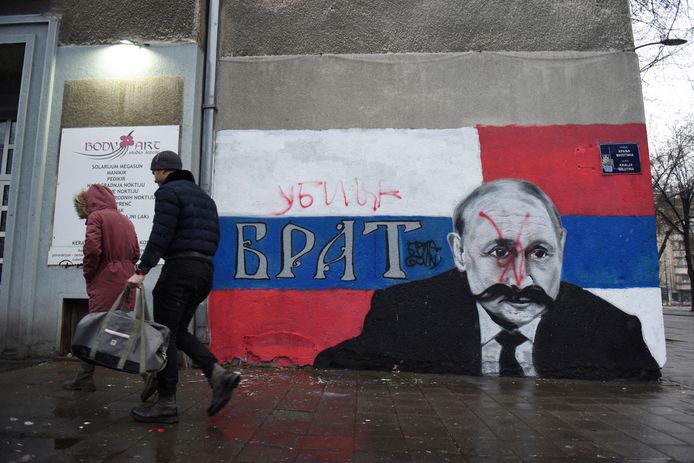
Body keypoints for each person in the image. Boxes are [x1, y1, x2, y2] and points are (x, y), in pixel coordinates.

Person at [314, 178, 661, 380]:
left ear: (562, 246)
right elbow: (334, 365)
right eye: (499, 252)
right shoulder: (405, 312)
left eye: (539, 253)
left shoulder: (611, 330)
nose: (520, 281)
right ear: (460, 252)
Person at [126, 150, 240, 424]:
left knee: (164, 336)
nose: (154, 179)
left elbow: (161, 233)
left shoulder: (168, 193)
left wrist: (142, 270)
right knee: (176, 332)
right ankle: (217, 374)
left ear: (164, 171)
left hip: (179, 269)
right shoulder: (205, 199)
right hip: (204, 272)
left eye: (154, 173)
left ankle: (166, 403)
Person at [63, 184, 140, 391]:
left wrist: (89, 273)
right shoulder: (126, 220)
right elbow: (136, 253)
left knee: (95, 327)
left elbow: (92, 250)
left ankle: (148, 373)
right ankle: (85, 377)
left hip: (105, 278)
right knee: (119, 328)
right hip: (126, 278)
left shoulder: (97, 218)